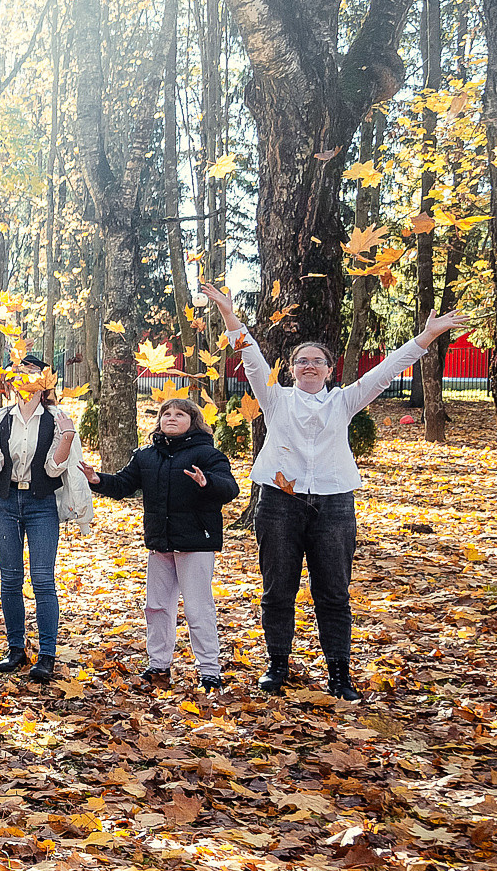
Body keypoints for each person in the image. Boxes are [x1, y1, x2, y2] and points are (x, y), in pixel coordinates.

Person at [200, 283, 467, 700]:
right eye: (301, 361)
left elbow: (387, 370)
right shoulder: (274, 399)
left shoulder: (344, 401)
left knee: (334, 592)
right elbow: (251, 358)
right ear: (291, 370)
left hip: (334, 504)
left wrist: (427, 335)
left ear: (329, 369)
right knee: (277, 589)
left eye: (317, 362)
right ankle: (277, 666)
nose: (309, 366)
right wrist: (230, 315)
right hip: (278, 503)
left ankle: (339, 675)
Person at [80, 398, 241, 692]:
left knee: (197, 608)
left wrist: (208, 483)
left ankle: (209, 671)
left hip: (196, 541)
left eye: (179, 414)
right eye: (166, 413)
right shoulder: (146, 455)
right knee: (156, 607)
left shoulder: (207, 454)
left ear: (193, 421)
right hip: (160, 541)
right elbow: (123, 485)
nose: (171, 417)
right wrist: (97, 479)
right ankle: (158, 665)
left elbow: (230, 488)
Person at [0, 354, 93, 683]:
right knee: (10, 580)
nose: (27, 381)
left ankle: (46, 655)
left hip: (40, 503)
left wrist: (66, 438)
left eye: (34, 375)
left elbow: (53, 468)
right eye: (20, 375)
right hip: (6, 503)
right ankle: (16, 649)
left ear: (45, 382)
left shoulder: (56, 418)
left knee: (43, 581)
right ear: (11, 382)